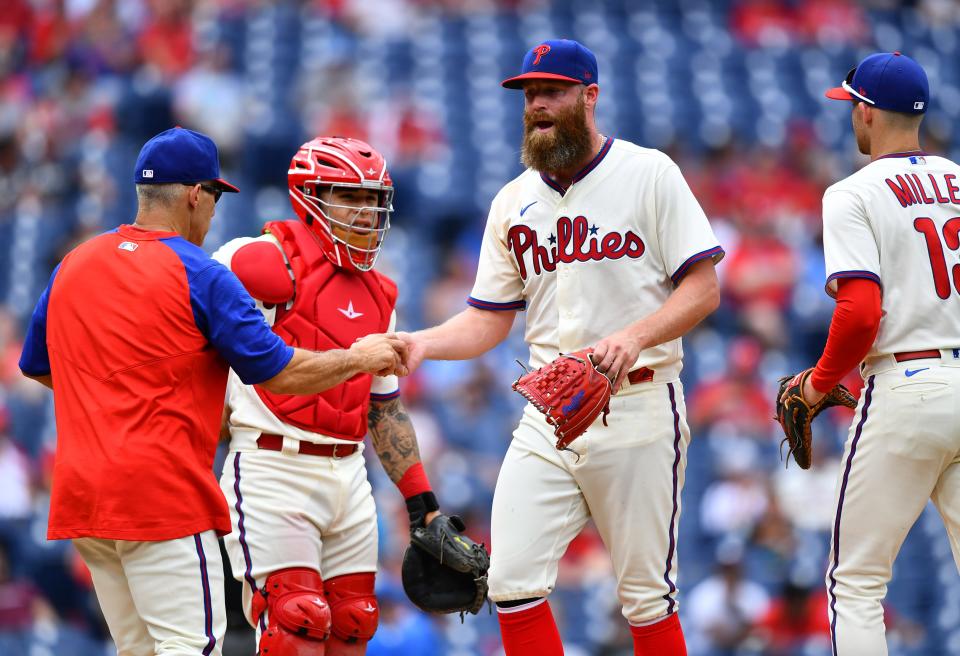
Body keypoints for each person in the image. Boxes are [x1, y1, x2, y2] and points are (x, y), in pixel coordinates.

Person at [17, 127, 407, 656]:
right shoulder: (200, 272)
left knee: (141, 651)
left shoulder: (75, 262)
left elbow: (39, 365)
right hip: (164, 497)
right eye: (216, 196)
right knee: (190, 647)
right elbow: (279, 372)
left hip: (84, 498)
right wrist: (358, 359)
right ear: (196, 194)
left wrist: (120, 391)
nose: (216, 212)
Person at [398, 40, 723, 655]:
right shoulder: (511, 201)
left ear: (589, 95)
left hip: (639, 403)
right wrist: (421, 342)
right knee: (510, 581)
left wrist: (636, 335)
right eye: (529, 94)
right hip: (548, 415)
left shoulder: (648, 174)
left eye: (552, 91)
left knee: (645, 597)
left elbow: (703, 290)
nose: (537, 105)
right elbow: (486, 321)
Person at [213, 136, 455, 655]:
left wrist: (423, 506)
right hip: (272, 462)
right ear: (310, 195)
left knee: (353, 624)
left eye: (373, 200)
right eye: (350, 197)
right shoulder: (254, 259)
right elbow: (234, 365)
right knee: (294, 622)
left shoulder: (380, 294)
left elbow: (383, 407)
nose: (367, 213)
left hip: (350, 474)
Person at [783, 52, 960, 655]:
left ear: (865, 112)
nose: (850, 119)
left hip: (907, 384)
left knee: (855, 582)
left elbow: (860, 312)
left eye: (851, 107)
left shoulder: (852, 192)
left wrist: (818, 382)